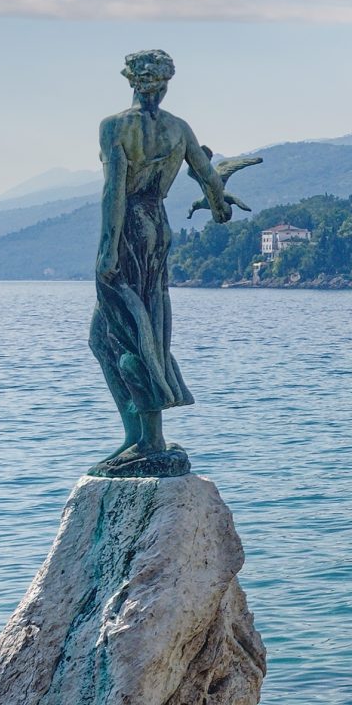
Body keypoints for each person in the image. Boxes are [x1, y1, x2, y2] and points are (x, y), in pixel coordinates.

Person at [88, 50, 257, 476]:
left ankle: (144, 438)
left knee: (116, 337)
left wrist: (107, 251)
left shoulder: (115, 126)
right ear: (165, 83)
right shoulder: (179, 129)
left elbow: (114, 192)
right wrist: (219, 201)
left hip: (127, 229)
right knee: (145, 327)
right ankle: (145, 435)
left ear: (131, 80)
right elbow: (209, 182)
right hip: (158, 229)